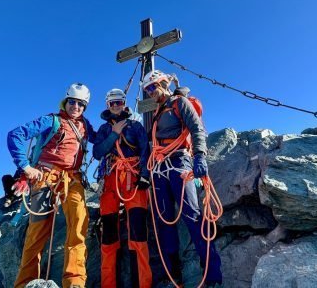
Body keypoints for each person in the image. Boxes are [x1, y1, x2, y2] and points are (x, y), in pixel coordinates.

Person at [7, 83, 96, 288]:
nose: (76, 106)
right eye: (72, 102)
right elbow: (15, 135)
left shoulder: (86, 126)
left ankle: (74, 281)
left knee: (79, 225)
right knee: (36, 233)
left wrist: (119, 125)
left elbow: (100, 140)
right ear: (65, 102)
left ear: (85, 107)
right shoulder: (51, 120)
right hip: (45, 177)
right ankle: (25, 283)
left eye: (81, 104)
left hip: (73, 180)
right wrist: (26, 167)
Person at [143, 70, 223, 286]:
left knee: (193, 217)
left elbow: (197, 128)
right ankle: (173, 277)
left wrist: (199, 156)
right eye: (147, 90)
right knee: (164, 222)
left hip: (179, 162)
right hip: (159, 169)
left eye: (153, 87)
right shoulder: (158, 112)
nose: (151, 92)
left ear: (163, 83)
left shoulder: (179, 103)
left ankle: (212, 275)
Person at [93, 88, 152, 288]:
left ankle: (143, 284)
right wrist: (114, 133)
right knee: (109, 235)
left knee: (138, 233)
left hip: (133, 178)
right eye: (112, 103)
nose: (116, 106)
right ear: (108, 106)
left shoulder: (136, 126)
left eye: (119, 102)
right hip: (110, 180)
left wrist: (144, 175)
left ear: (124, 104)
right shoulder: (103, 129)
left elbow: (145, 150)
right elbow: (98, 152)